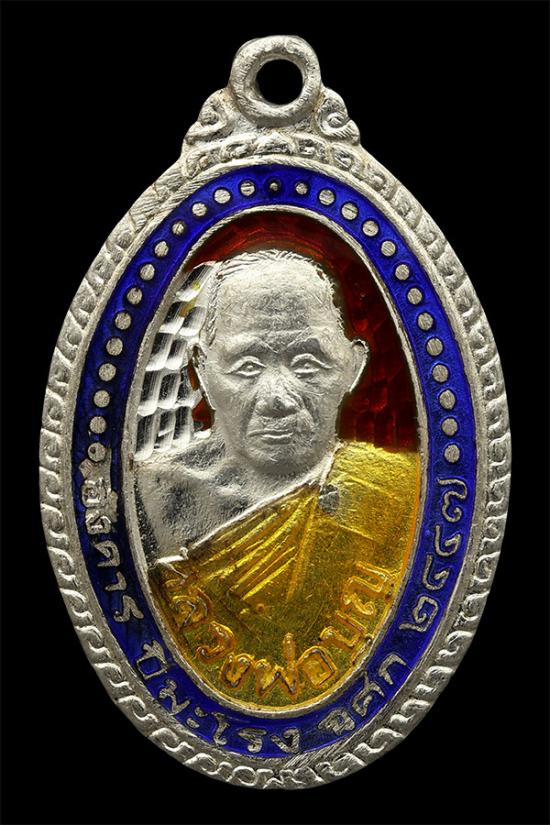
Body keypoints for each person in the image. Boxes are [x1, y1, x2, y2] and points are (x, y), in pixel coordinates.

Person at [135, 249, 420, 708]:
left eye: (307, 362)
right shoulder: (149, 501)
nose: (277, 397)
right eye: (247, 366)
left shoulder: (404, 493)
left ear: (352, 365)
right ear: (202, 370)